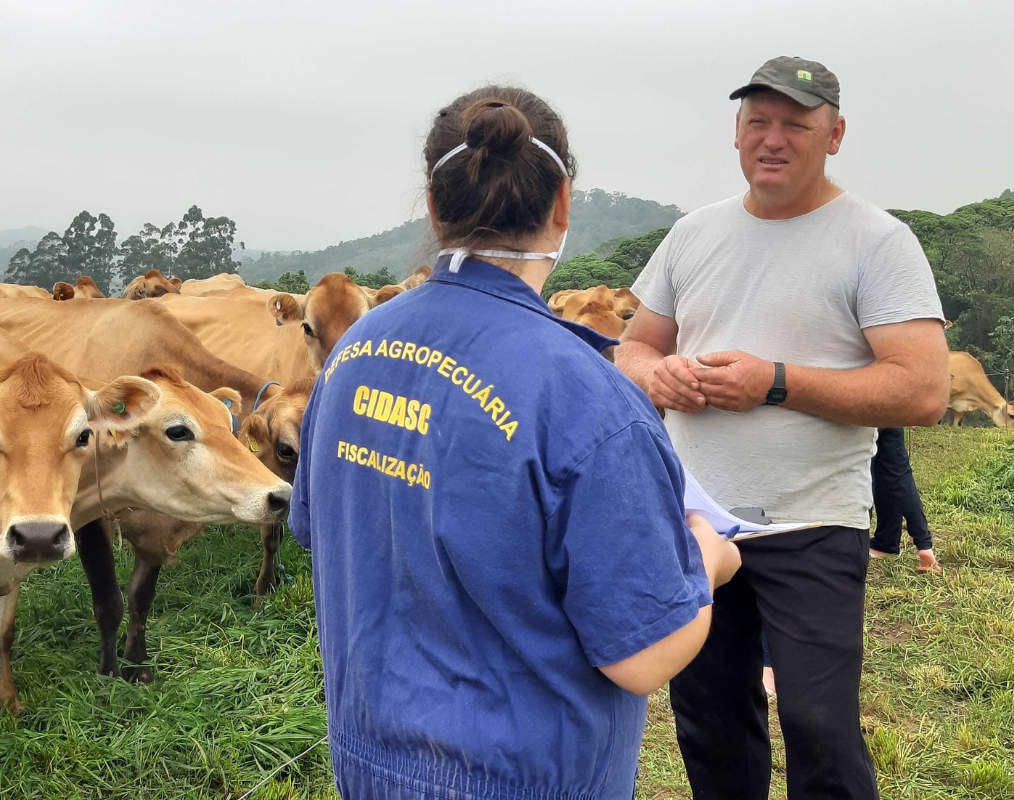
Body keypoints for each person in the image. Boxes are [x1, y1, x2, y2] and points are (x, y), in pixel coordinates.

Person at [288, 86, 741, 800]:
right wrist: (708, 558)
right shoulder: (588, 395)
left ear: (435, 210)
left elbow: (333, 530)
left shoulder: (353, 353)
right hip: (527, 774)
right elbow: (646, 656)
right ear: (562, 205)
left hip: (369, 760)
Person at [616, 56, 949, 800]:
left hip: (812, 520)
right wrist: (656, 375)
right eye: (757, 122)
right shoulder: (693, 235)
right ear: (736, 134)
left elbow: (924, 389)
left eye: (795, 125)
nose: (773, 139)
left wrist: (774, 381)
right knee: (707, 716)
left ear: (834, 134)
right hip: (696, 519)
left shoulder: (878, 241)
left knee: (819, 725)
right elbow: (635, 346)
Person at [870, 427, 941, 573]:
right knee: (897, 474)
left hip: (857, 411)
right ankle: (920, 545)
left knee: (862, 473)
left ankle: (853, 546)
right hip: (890, 408)